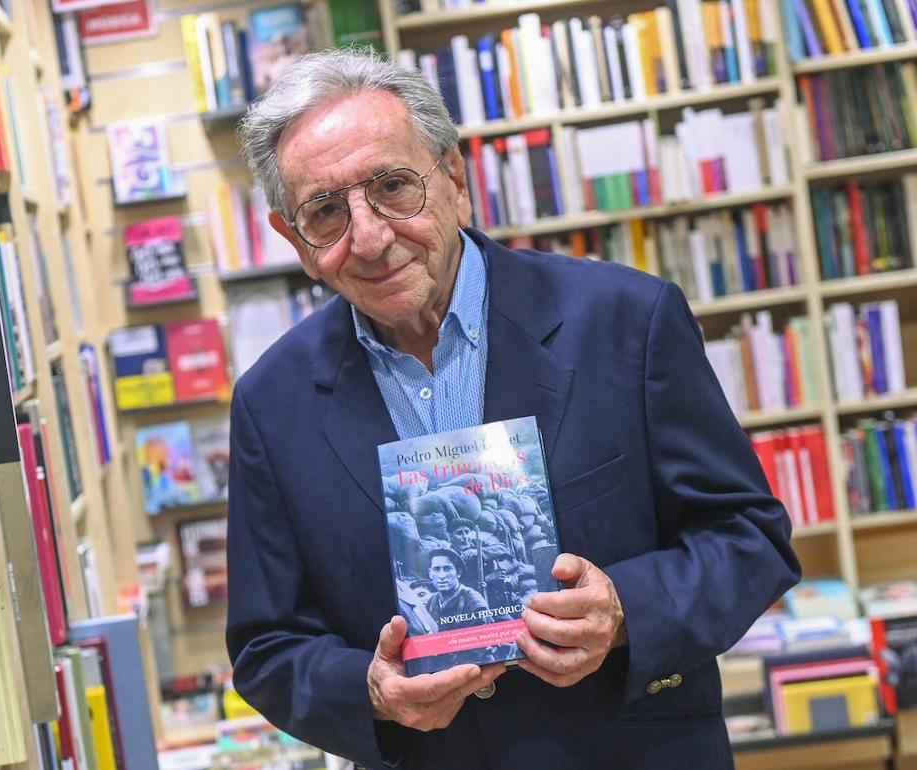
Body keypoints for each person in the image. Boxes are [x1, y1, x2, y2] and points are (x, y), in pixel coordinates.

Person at [225, 48, 801, 769]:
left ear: (454, 180)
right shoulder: (270, 404)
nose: (369, 237)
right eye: (326, 212)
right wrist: (369, 690)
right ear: (295, 240)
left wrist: (624, 609)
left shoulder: (626, 320)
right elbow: (267, 646)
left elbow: (750, 539)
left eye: (393, 187)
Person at [423, 550, 487, 632]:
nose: (442, 576)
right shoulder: (432, 601)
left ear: (458, 572)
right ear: (430, 573)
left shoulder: (473, 603)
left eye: (447, 569)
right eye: (436, 569)